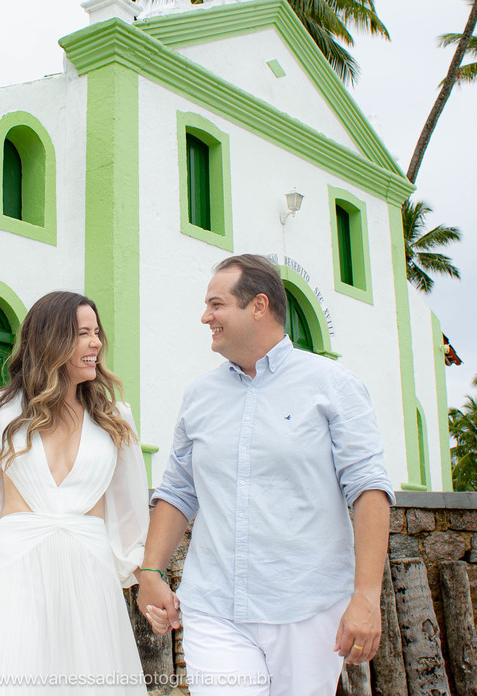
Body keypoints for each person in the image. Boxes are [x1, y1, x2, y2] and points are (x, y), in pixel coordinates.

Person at [137, 254, 394, 696]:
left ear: (258, 305)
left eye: (216, 305)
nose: (206, 317)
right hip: (214, 604)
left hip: (308, 608)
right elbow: (178, 490)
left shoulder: (333, 384)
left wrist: (366, 596)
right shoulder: (199, 396)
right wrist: (151, 571)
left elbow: (369, 488)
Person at [0, 291, 150, 695]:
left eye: (97, 332)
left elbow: (130, 522)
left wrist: (151, 586)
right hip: (17, 571)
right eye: (83, 333)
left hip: (92, 573)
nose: (96, 343)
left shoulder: (116, 420)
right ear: (52, 340)